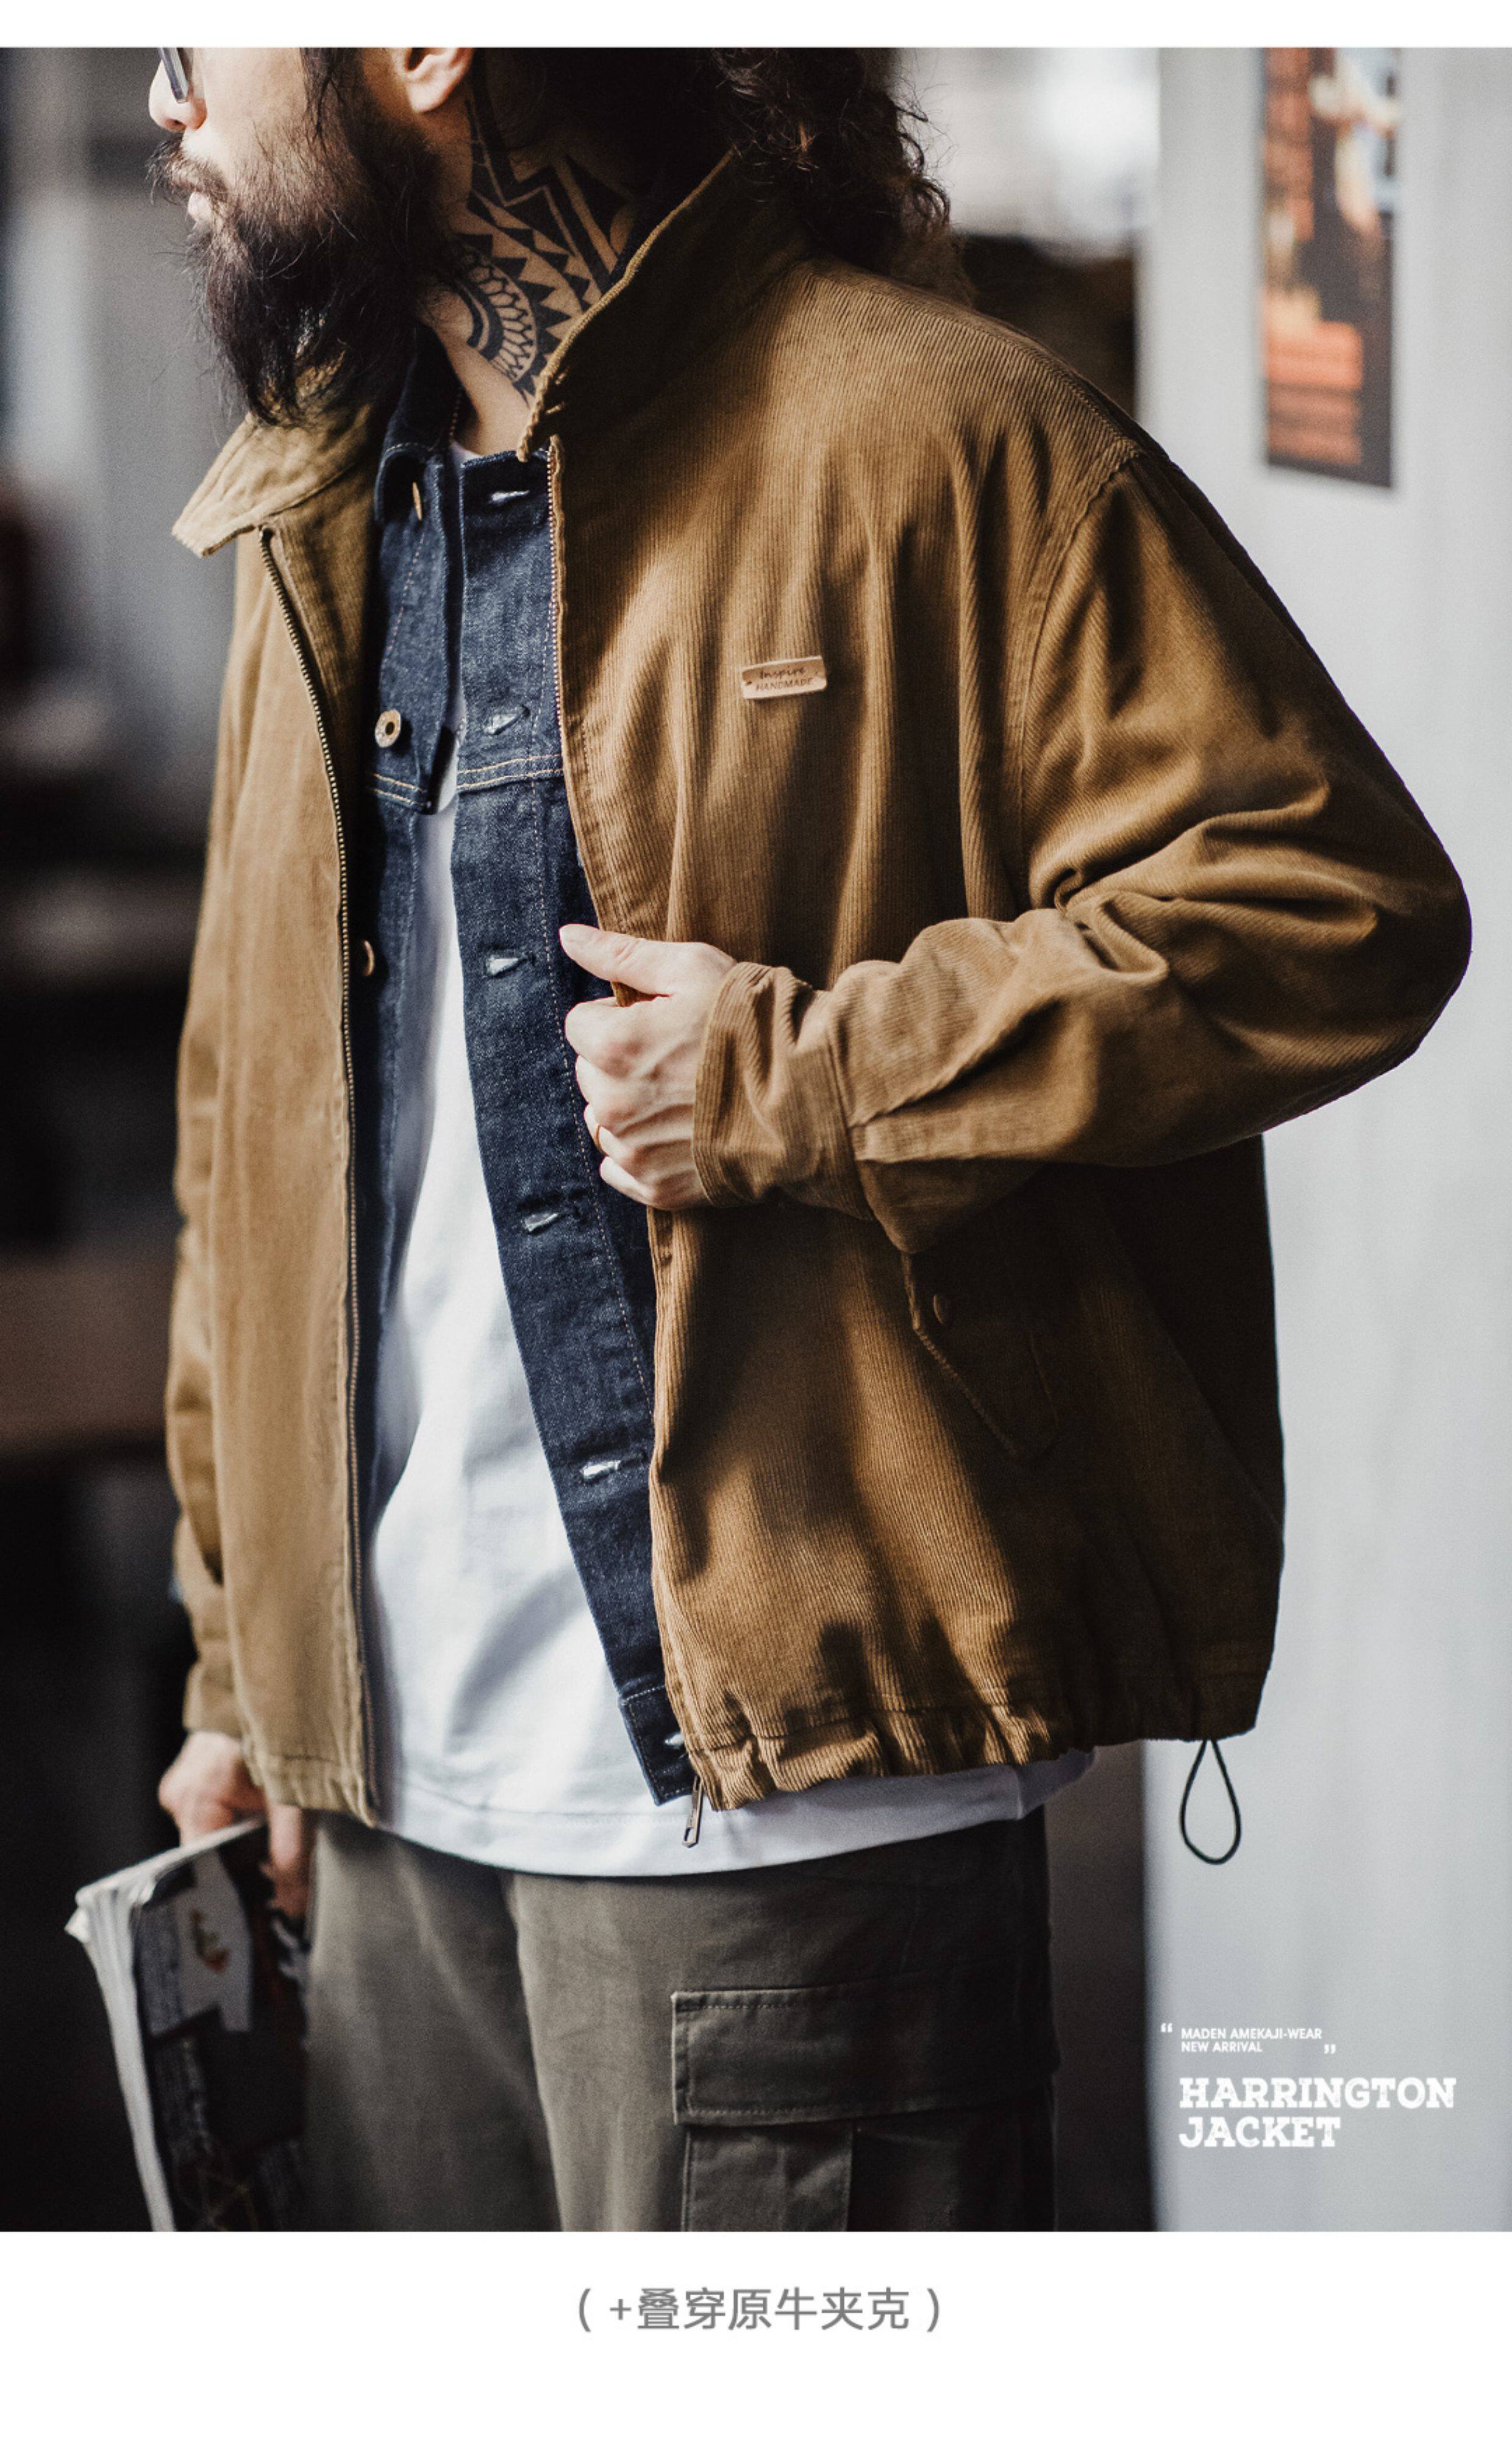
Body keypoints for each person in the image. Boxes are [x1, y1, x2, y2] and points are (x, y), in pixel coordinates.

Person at [148, 46, 1469, 2233]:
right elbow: (248, 1127)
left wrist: (818, 1076)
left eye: (206, 39)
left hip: (796, 1838)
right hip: (380, 1812)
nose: (166, 96)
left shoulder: (945, 434)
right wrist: (242, 1665)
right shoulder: (310, 504)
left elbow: (1331, 905)